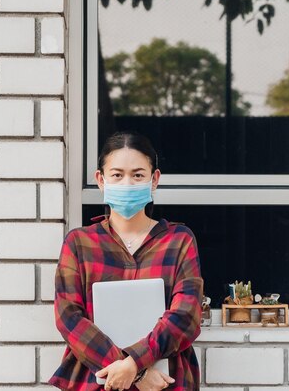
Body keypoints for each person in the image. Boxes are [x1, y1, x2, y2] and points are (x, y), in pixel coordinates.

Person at [49, 131, 203, 391]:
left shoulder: (179, 240)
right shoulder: (79, 243)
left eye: (138, 175)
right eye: (117, 175)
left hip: (165, 383)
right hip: (97, 381)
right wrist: (136, 371)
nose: (128, 183)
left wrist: (133, 365)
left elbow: (186, 315)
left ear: (154, 180)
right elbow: (68, 317)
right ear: (101, 179)